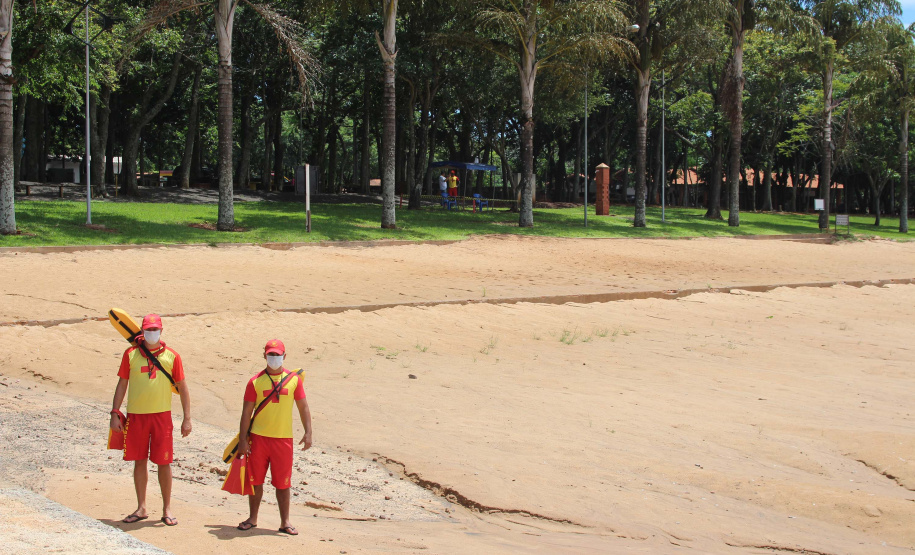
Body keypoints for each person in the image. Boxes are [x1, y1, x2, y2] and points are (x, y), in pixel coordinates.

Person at [110, 314, 192, 527]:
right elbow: (122, 383)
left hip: (161, 417)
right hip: (137, 416)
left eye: (155, 330)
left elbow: (183, 388)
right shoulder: (130, 354)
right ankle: (142, 507)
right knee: (139, 461)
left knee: (164, 462)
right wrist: (114, 412)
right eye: (148, 330)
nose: (152, 333)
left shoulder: (172, 356)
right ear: (143, 330)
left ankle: (167, 509)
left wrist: (187, 419)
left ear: (161, 331)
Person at [236, 339, 312, 535]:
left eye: (278, 355)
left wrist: (308, 432)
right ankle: (253, 518)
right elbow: (246, 412)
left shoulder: (294, 380)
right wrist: (243, 441)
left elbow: (303, 406)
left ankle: (285, 522)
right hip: (258, 438)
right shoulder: (255, 381)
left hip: (283, 439)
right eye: (271, 355)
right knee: (255, 481)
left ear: (284, 356)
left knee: (283, 483)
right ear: (264, 356)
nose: (274, 358)